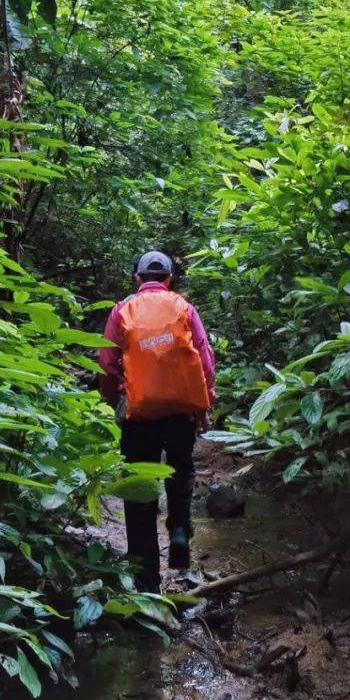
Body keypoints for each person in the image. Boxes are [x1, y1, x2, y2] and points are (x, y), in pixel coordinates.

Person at [98, 250, 215, 592]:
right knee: (180, 468)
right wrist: (203, 404)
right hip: (180, 411)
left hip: (139, 414)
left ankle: (146, 581)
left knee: (139, 491)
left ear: (136, 279)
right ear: (168, 279)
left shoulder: (122, 311)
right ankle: (179, 530)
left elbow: (106, 364)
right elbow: (205, 359)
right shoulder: (184, 308)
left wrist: (114, 400)